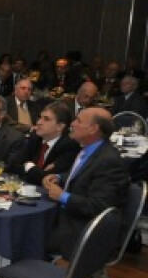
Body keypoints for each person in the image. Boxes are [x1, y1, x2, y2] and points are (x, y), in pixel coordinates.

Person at [42, 107, 129, 257]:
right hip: (69, 217)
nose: (72, 124)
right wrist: (60, 177)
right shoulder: (90, 149)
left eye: (79, 121)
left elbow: (99, 206)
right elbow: (84, 176)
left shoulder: (109, 161)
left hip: (83, 230)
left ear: (93, 129)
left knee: (26, 232)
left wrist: (63, 196)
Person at [6, 103, 80, 185]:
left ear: (60, 126)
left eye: (46, 119)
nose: (39, 122)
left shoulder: (70, 146)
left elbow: (48, 179)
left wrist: (28, 165)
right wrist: (35, 170)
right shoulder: (35, 137)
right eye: (40, 118)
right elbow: (14, 165)